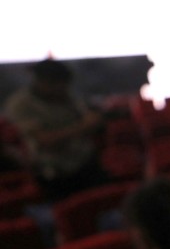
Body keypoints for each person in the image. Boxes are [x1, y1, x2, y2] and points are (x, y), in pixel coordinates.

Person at [2, 58, 109, 200]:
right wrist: (84, 127)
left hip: (87, 163)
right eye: (57, 84)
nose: (62, 88)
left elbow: (91, 120)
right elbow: (44, 141)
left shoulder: (68, 97)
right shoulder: (21, 104)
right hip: (54, 173)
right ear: (44, 81)